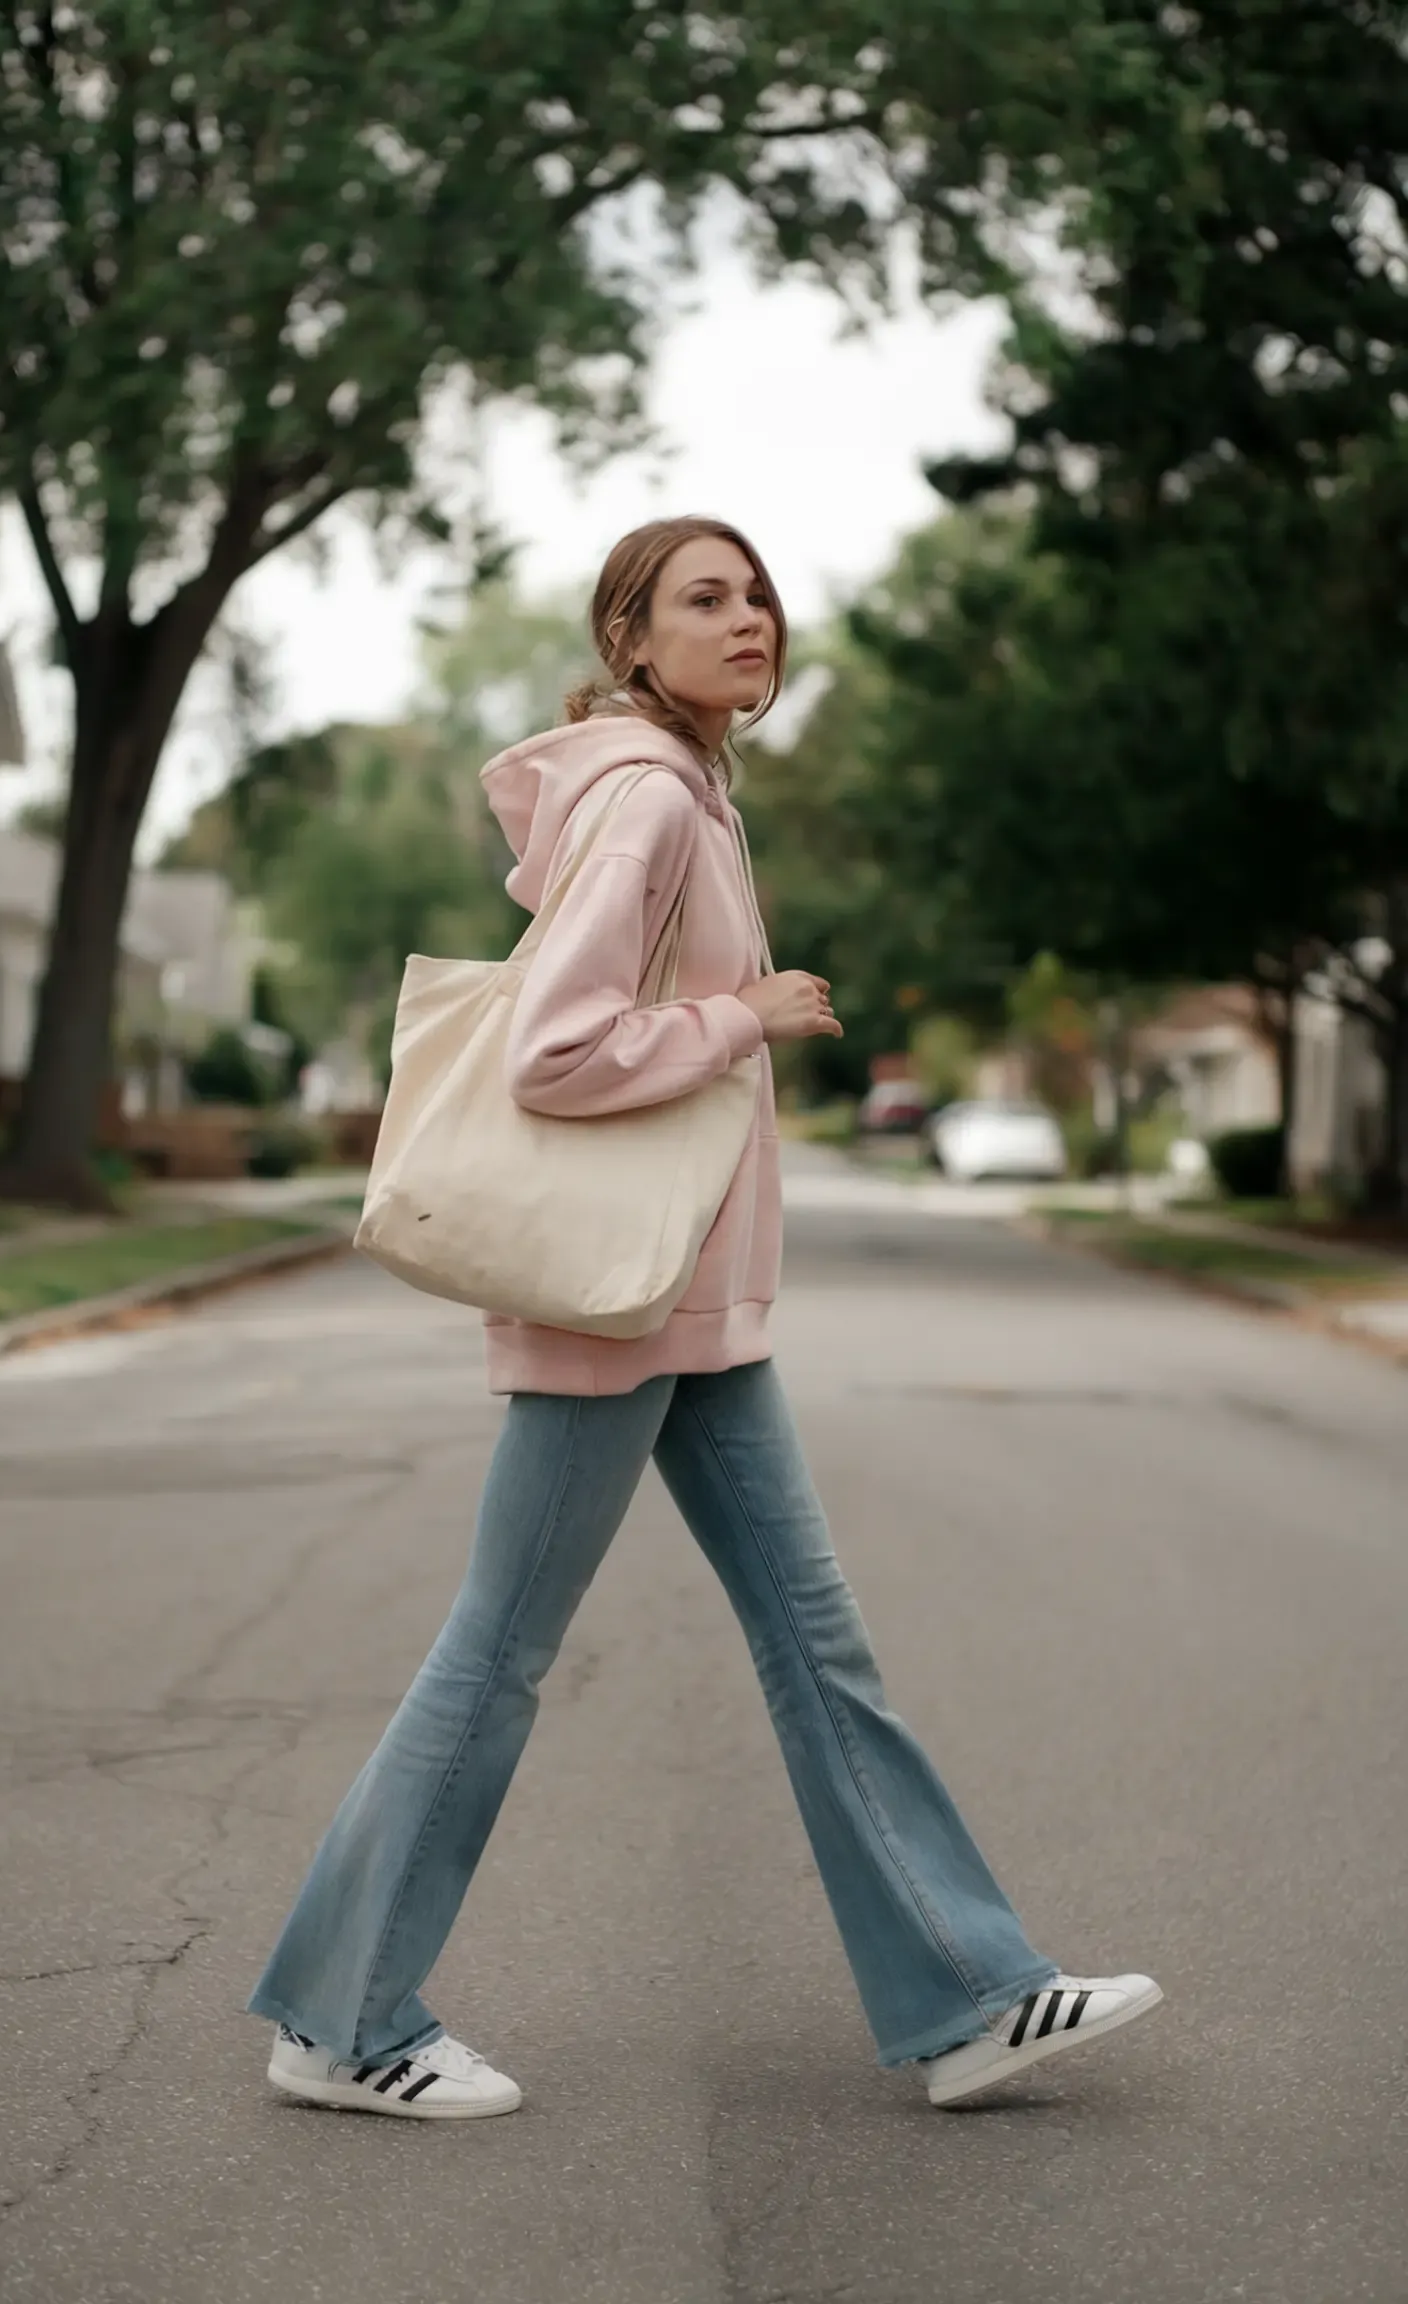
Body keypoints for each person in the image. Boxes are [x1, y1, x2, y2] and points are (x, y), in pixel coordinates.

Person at [247, 515, 1162, 2119]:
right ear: (631, 643)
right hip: (620, 1304)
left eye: (759, 596)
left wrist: (724, 1023)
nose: (752, 620)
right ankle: (344, 2022)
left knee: (819, 1645)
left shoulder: (697, 796)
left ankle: (972, 1996)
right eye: (705, 600)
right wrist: (735, 1015)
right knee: (501, 1651)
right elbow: (554, 1051)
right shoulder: (651, 802)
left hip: (692, 1311)